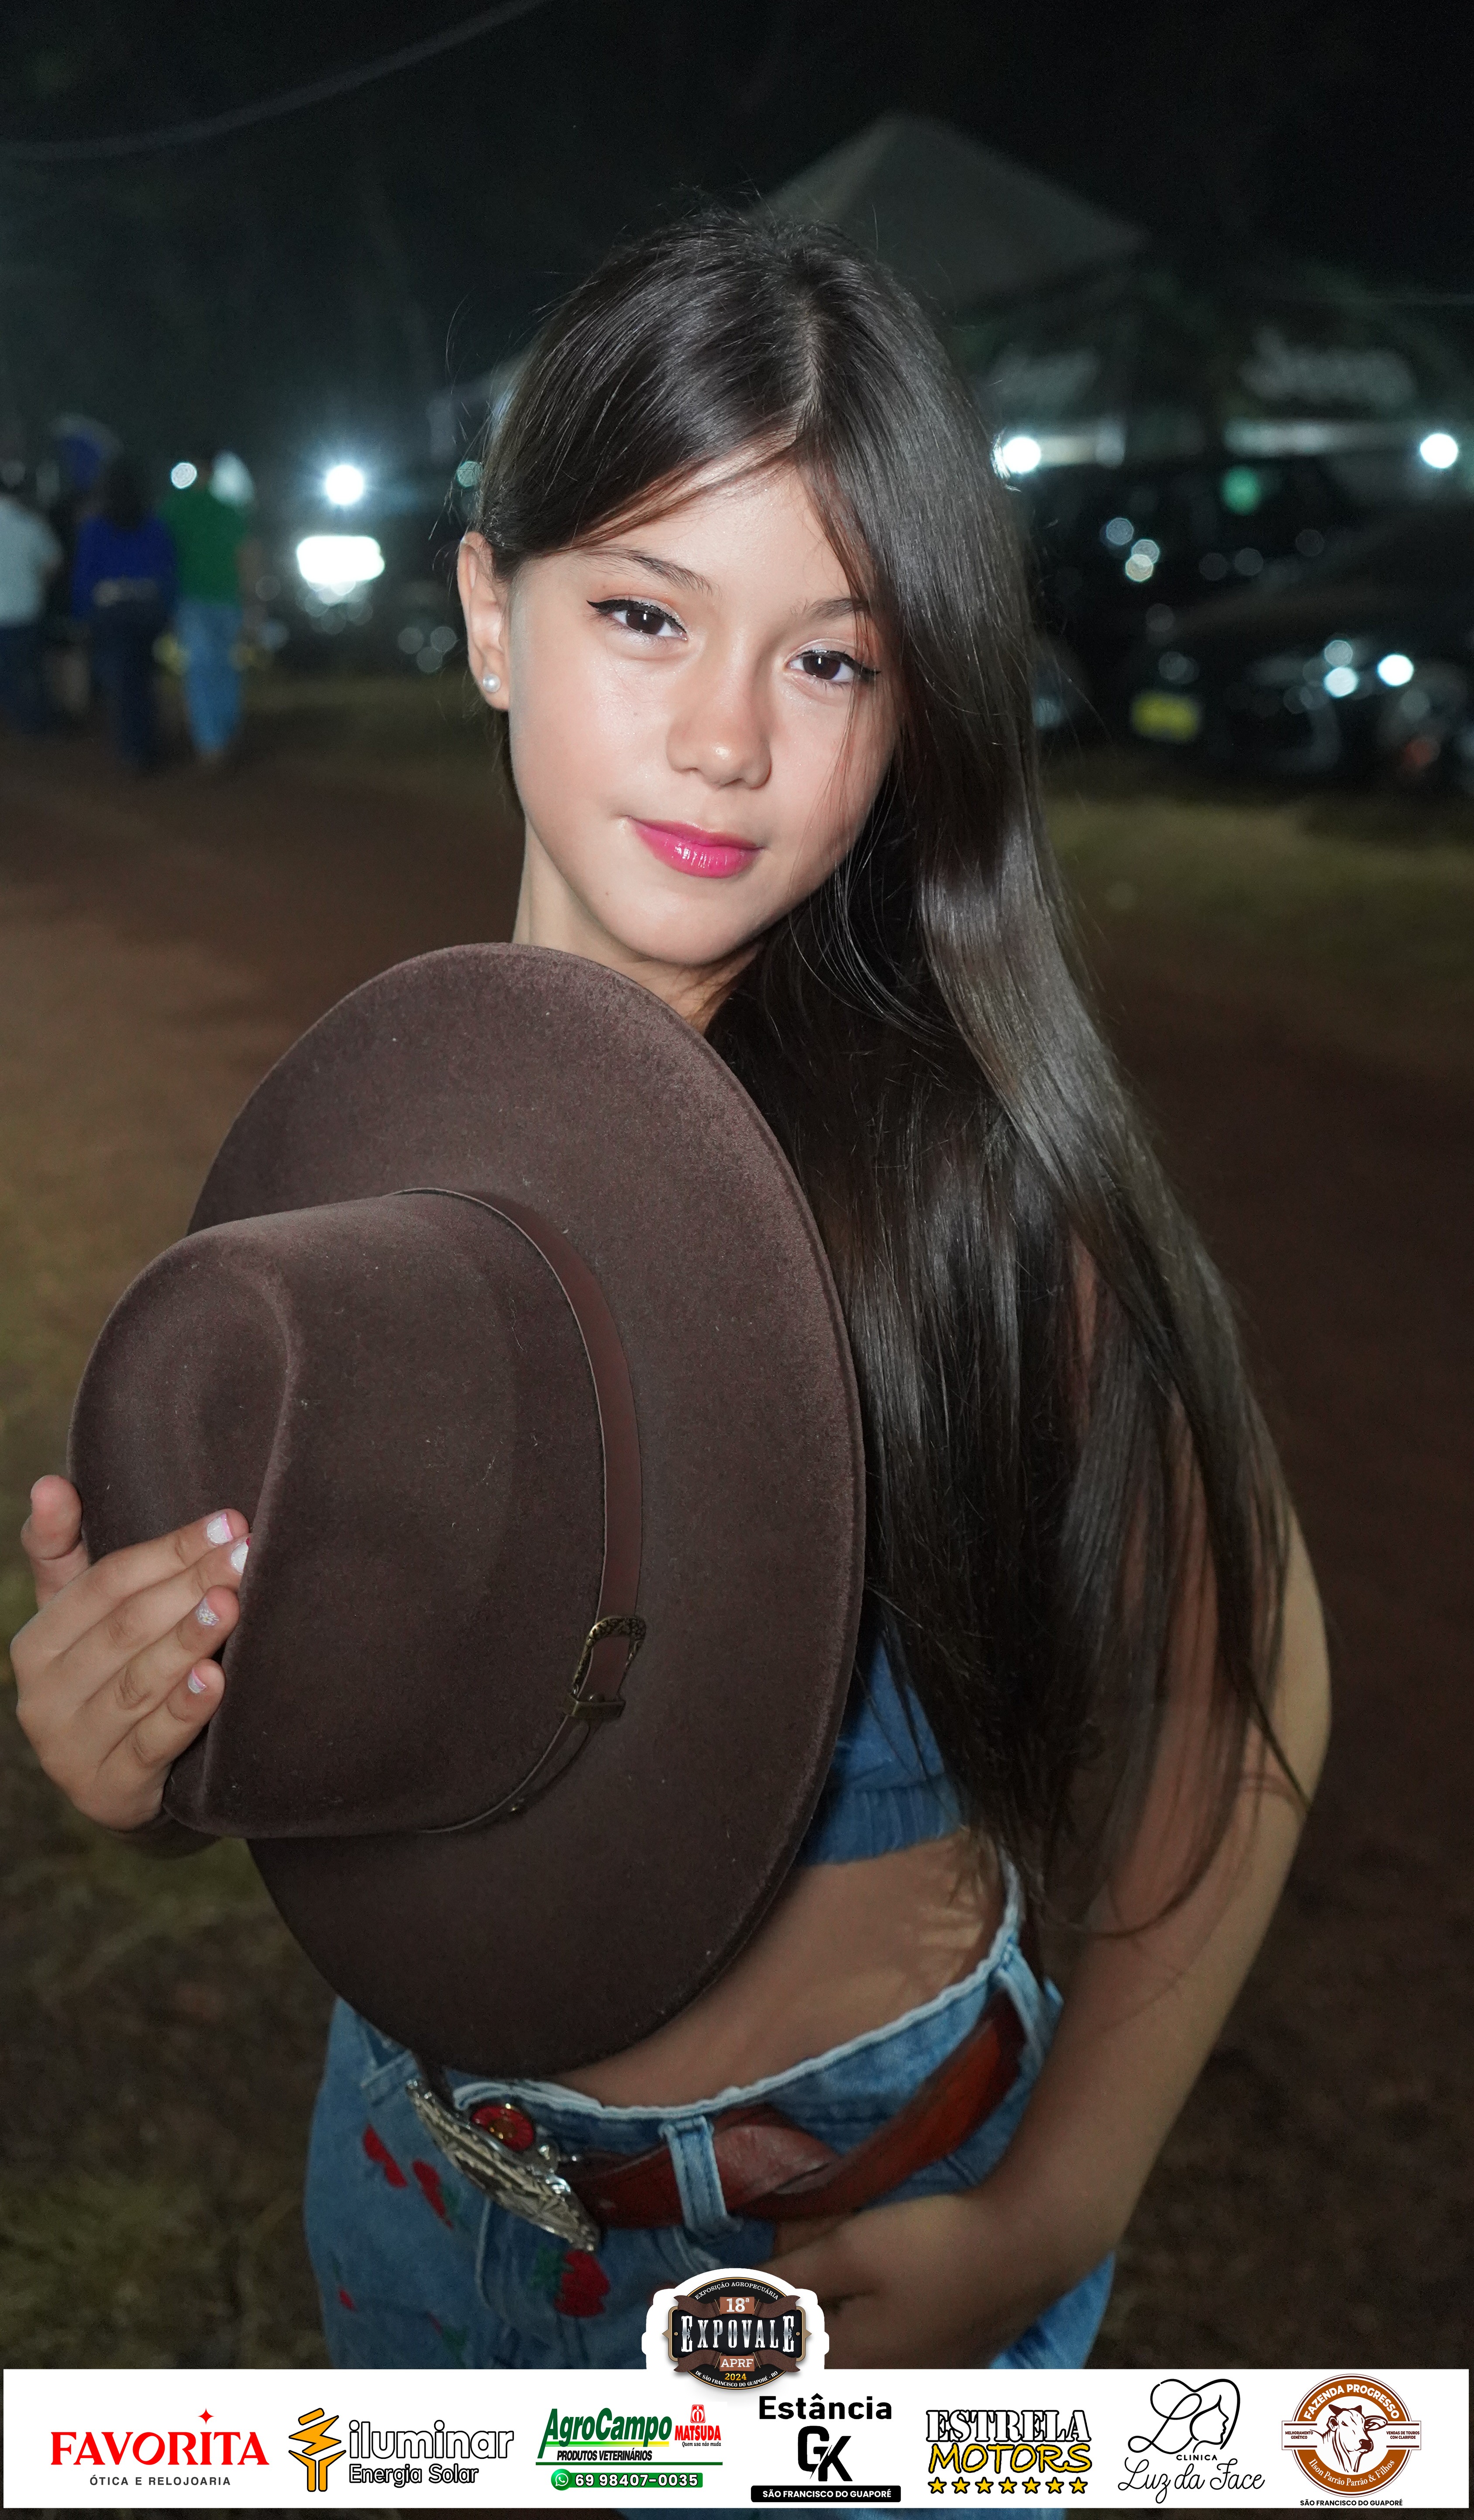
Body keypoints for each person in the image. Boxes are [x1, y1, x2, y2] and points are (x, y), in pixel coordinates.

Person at [13, 214, 1329, 2372]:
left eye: (830, 660)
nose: (726, 738)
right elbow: (346, 1720)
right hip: (417, 2198)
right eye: (645, 613)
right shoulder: (365, 1181)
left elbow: (1246, 1674)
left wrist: (1050, 2210)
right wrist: (151, 1756)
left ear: (908, 709)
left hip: (848, 2237)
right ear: (488, 614)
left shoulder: (971, 1203)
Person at [71, 461, 177, 772]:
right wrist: (167, 611)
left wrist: (81, 614)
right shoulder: (154, 526)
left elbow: (85, 575)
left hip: (111, 612)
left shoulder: (96, 527)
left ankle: (134, 749)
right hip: (147, 609)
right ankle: (146, 743)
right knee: (143, 676)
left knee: (122, 681)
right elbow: (167, 572)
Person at [162, 450, 251, 763]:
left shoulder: (174, 509)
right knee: (226, 666)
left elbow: (164, 557)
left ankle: (211, 742)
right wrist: (253, 600)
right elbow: (247, 555)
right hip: (227, 599)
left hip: (192, 599)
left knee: (201, 669)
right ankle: (226, 730)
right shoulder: (231, 511)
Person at [0, 467, 62, 734]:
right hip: (26, 609)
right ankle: (36, 724)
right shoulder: (32, 525)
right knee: (32, 672)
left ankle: (17, 720)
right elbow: (54, 562)